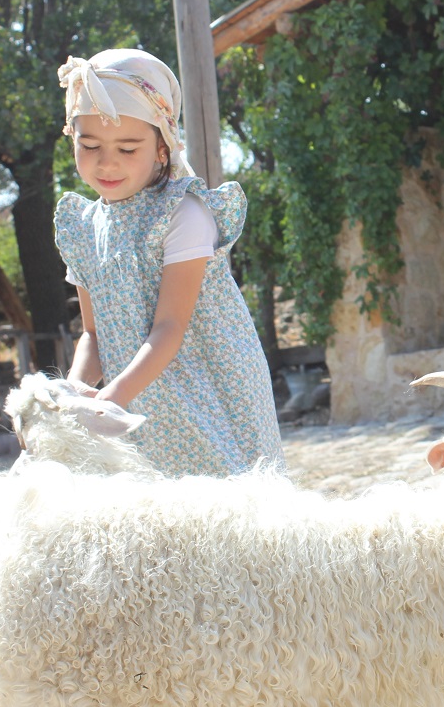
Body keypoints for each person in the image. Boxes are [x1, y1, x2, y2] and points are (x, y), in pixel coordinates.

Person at [53, 48, 282, 477]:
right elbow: (93, 332)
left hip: (210, 391)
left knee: (234, 507)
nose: (107, 162)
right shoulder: (81, 228)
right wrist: (79, 391)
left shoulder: (182, 214)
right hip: (136, 401)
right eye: (90, 145)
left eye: (127, 147)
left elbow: (170, 326)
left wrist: (116, 396)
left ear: (162, 147)